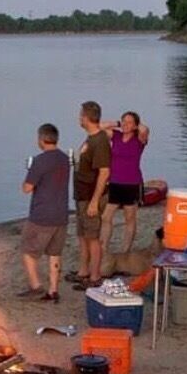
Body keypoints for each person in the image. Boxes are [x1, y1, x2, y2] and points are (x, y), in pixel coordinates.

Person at [17, 122, 71, 302]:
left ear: (41, 139)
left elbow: (27, 188)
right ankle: (53, 290)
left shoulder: (40, 161)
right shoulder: (64, 159)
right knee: (54, 253)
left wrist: (27, 178)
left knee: (27, 250)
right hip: (61, 214)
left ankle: (35, 285)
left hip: (42, 215)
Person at [68, 100, 112, 288]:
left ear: (86, 118)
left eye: (81, 115)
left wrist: (95, 201)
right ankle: (83, 271)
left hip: (91, 196)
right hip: (82, 195)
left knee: (93, 237)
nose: (79, 118)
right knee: (83, 235)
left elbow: (104, 171)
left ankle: (95, 276)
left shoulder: (100, 141)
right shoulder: (91, 137)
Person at [100, 110, 151, 258]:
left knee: (129, 218)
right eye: (124, 121)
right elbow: (98, 128)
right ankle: (104, 248)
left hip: (132, 183)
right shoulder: (115, 136)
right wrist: (118, 123)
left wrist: (133, 126)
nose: (125, 124)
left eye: (129, 122)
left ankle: (125, 250)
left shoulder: (139, 139)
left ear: (135, 125)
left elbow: (145, 129)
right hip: (115, 182)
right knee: (106, 216)